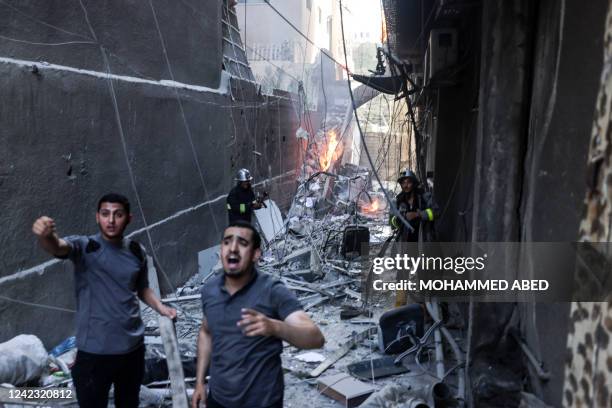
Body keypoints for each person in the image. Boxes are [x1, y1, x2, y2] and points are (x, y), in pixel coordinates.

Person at [32, 193, 176, 408]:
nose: (111, 220)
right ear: (97, 217)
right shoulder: (85, 247)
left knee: (128, 403)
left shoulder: (137, 251)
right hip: (94, 354)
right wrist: (46, 236)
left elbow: (142, 288)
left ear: (128, 218)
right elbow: (58, 247)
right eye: (105, 214)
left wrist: (161, 308)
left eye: (118, 214)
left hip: (132, 350)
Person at [192, 221, 325, 408]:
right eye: (227, 242)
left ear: (256, 254)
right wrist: (199, 382)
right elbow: (206, 332)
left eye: (242, 243)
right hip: (219, 400)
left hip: (262, 402)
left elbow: (315, 337)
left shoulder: (272, 290)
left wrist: (274, 327)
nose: (233, 249)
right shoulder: (210, 290)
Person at [390, 169, 438, 243]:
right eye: (403, 183)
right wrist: (401, 217)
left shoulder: (425, 196)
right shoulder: (398, 200)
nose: (406, 185)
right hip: (405, 242)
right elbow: (392, 222)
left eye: (409, 182)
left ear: (414, 183)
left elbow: (436, 212)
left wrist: (419, 214)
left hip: (423, 240)